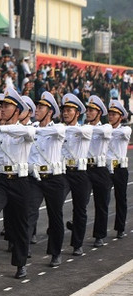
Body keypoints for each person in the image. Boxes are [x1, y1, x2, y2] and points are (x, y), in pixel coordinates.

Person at [0, 87, 35, 280]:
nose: (2, 109)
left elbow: (28, 134)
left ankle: (20, 262)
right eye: (2, 106)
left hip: (20, 180)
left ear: (17, 111)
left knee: (21, 223)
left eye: (7, 106)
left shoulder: (25, 129)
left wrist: (0, 128)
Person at [26, 91, 66, 267]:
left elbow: (56, 131)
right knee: (27, 213)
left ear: (49, 111)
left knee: (55, 216)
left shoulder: (57, 128)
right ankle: (23, 250)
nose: (37, 110)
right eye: (37, 107)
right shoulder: (32, 127)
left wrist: (36, 130)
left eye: (41, 107)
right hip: (35, 178)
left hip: (54, 178)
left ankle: (55, 252)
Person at [61, 93, 93, 256]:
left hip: (80, 173)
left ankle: (77, 244)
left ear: (77, 113)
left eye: (69, 110)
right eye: (64, 110)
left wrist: (62, 129)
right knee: (56, 205)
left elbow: (85, 132)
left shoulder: (85, 129)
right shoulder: (59, 129)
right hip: (63, 173)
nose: (65, 113)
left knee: (80, 209)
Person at [84, 95, 113, 248]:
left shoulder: (106, 127)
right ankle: (77, 225)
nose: (87, 113)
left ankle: (99, 235)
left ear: (99, 113)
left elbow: (101, 132)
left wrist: (84, 129)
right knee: (81, 201)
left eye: (91, 110)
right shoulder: (83, 128)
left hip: (100, 169)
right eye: (87, 110)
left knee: (101, 203)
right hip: (85, 169)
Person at [107, 99, 131, 239]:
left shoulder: (125, 129)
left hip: (120, 168)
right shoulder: (104, 129)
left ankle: (120, 227)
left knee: (120, 198)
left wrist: (106, 131)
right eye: (110, 114)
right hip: (105, 168)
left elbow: (120, 134)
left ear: (120, 116)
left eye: (114, 114)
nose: (110, 116)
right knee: (101, 198)